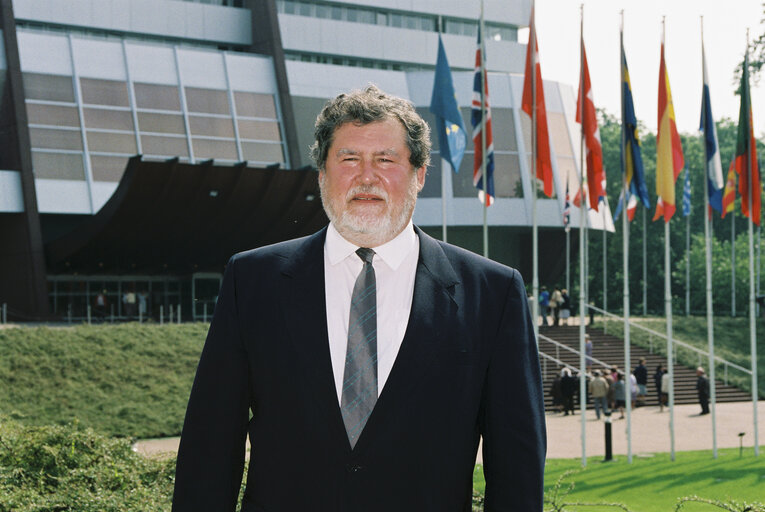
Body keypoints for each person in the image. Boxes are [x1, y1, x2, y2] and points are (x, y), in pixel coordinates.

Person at [172, 85, 546, 511]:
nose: (366, 176)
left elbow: (517, 469)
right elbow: (210, 448)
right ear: (321, 174)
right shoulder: (253, 280)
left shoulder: (492, 294)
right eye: (349, 159)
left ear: (420, 174)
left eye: (386, 160)